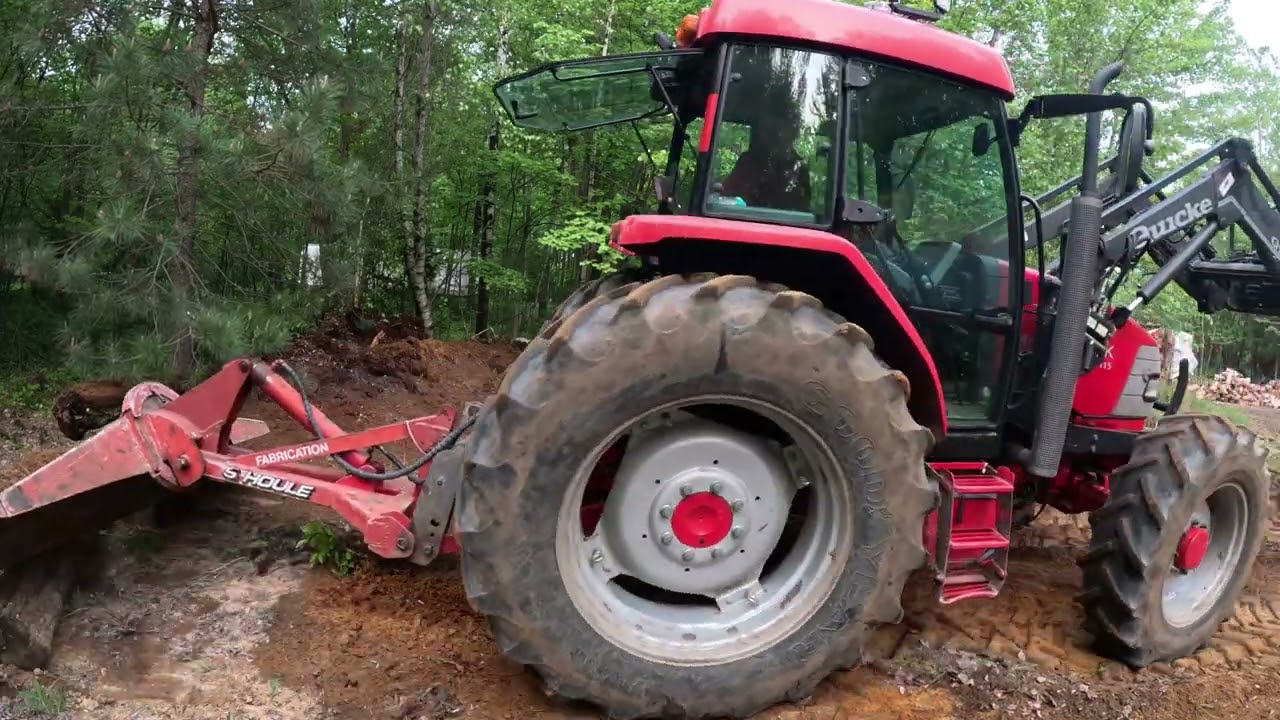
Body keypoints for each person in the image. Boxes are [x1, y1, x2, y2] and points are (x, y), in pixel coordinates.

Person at [717, 108, 811, 212]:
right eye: (772, 131)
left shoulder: (799, 168)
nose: (778, 135)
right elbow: (725, 197)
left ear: (794, 134)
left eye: (783, 130)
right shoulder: (748, 161)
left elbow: (802, 211)